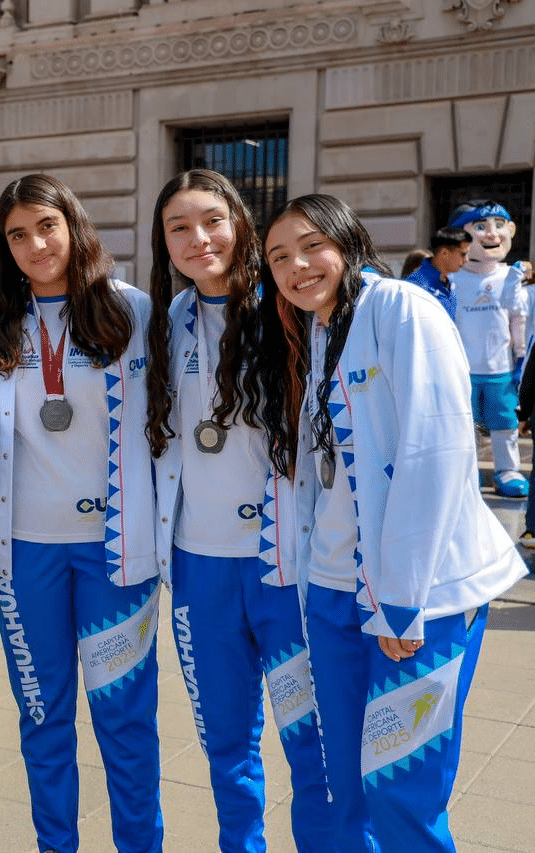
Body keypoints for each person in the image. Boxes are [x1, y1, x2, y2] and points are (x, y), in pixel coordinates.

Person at [254, 193, 526, 853]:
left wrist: (399, 601)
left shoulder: (401, 307)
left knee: (403, 789)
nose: (296, 266)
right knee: (346, 785)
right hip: (333, 592)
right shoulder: (314, 330)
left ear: (347, 240)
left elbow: (435, 454)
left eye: (310, 245)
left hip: (417, 598)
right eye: (279, 257)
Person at [146, 169, 333, 852]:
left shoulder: (289, 312)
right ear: (164, 241)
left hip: (285, 572)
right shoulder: (165, 322)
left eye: (212, 221)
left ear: (240, 223)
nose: (199, 239)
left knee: (311, 746)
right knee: (226, 747)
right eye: (179, 227)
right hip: (199, 575)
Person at [0, 173, 163, 853]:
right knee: (43, 715)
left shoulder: (134, 310)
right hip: (25, 553)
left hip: (115, 551)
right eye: (17, 234)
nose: (35, 244)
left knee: (124, 719)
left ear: (74, 225)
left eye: (46, 226)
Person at [447, 199, 528, 497]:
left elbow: (519, 321)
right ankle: (469, 471)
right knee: (466, 424)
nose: (491, 234)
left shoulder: (511, 277)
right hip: (463, 370)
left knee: (504, 423)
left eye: (498, 225)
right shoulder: (451, 280)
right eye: (480, 227)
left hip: (501, 370)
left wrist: (521, 358)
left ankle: (507, 470)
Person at [404, 227, 470, 320]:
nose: (466, 260)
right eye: (463, 254)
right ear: (444, 253)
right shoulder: (416, 285)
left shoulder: (450, 282)